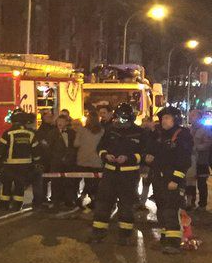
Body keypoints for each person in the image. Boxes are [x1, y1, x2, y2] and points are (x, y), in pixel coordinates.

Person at [89, 102, 148, 245]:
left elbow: (145, 154)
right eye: (118, 118)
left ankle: (125, 235)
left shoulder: (140, 133)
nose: (119, 122)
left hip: (129, 175)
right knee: (103, 203)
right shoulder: (110, 130)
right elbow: (100, 148)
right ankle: (98, 232)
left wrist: (129, 158)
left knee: (126, 205)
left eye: (122, 119)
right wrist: (105, 156)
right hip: (110, 173)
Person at [145, 105, 193, 254]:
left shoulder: (182, 135)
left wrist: (176, 180)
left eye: (167, 118)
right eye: (162, 118)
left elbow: (184, 160)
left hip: (172, 179)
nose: (163, 121)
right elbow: (155, 153)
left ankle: (174, 243)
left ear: (175, 119)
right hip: (159, 179)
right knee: (162, 209)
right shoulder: (161, 135)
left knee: (171, 210)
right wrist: (149, 157)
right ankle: (166, 238)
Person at [0, 109, 38, 211]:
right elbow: (35, 149)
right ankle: (17, 205)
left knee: (7, 185)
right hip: (25, 165)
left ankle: (4, 205)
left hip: (10, 164)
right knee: (20, 185)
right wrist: (37, 161)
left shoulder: (8, 133)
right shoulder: (30, 133)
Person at [73, 109, 105, 208]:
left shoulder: (82, 130)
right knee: (94, 181)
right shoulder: (102, 131)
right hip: (96, 160)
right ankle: (92, 198)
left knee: (87, 180)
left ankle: (83, 197)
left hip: (83, 159)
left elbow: (76, 144)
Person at [33, 109, 62, 208]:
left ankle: (53, 198)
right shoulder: (41, 131)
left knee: (54, 179)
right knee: (44, 180)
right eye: (49, 116)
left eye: (51, 116)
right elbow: (43, 144)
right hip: (45, 159)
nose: (51, 118)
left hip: (52, 158)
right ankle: (42, 198)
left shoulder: (53, 128)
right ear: (44, 118)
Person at [192, 111, 212, 211]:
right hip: (192, 160)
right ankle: (191, 202)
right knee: (190, 181)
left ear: (199, 117)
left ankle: (202, 204)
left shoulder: (205, 129)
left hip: (201, 160)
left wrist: (196, 147)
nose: (191, 117)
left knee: (201, 183)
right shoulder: (190, 129)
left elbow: (208, 143)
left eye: (193, 115)